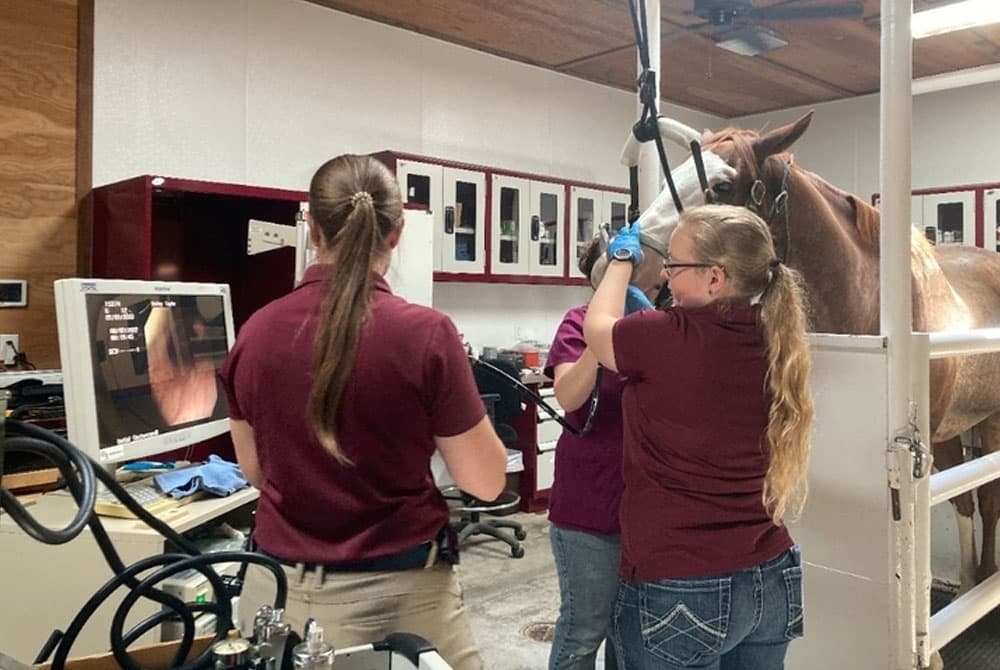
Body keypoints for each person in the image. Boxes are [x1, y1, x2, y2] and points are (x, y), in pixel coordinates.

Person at [219, 154, 508, 670]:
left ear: (311, 227)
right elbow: (485, 483)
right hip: (401, 599)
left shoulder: (254, 333)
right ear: (395, 235)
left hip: (277, 596)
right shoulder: (427, 335)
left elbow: (256, 472)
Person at [583, 204, 815, 670]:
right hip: (770, 578)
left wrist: (620, 264)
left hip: (680, 586)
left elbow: (597, 330)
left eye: (674, 263)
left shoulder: (664, 335)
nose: (665, 275)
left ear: (715, 277)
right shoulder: (777, 340)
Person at [545, 239, 662, 670]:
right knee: (583, 630)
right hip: (588, 510)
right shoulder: (576, 323)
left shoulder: (657, 328)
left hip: (644, 511)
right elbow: (568, 395)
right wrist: (601, 333)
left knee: (630, 638)